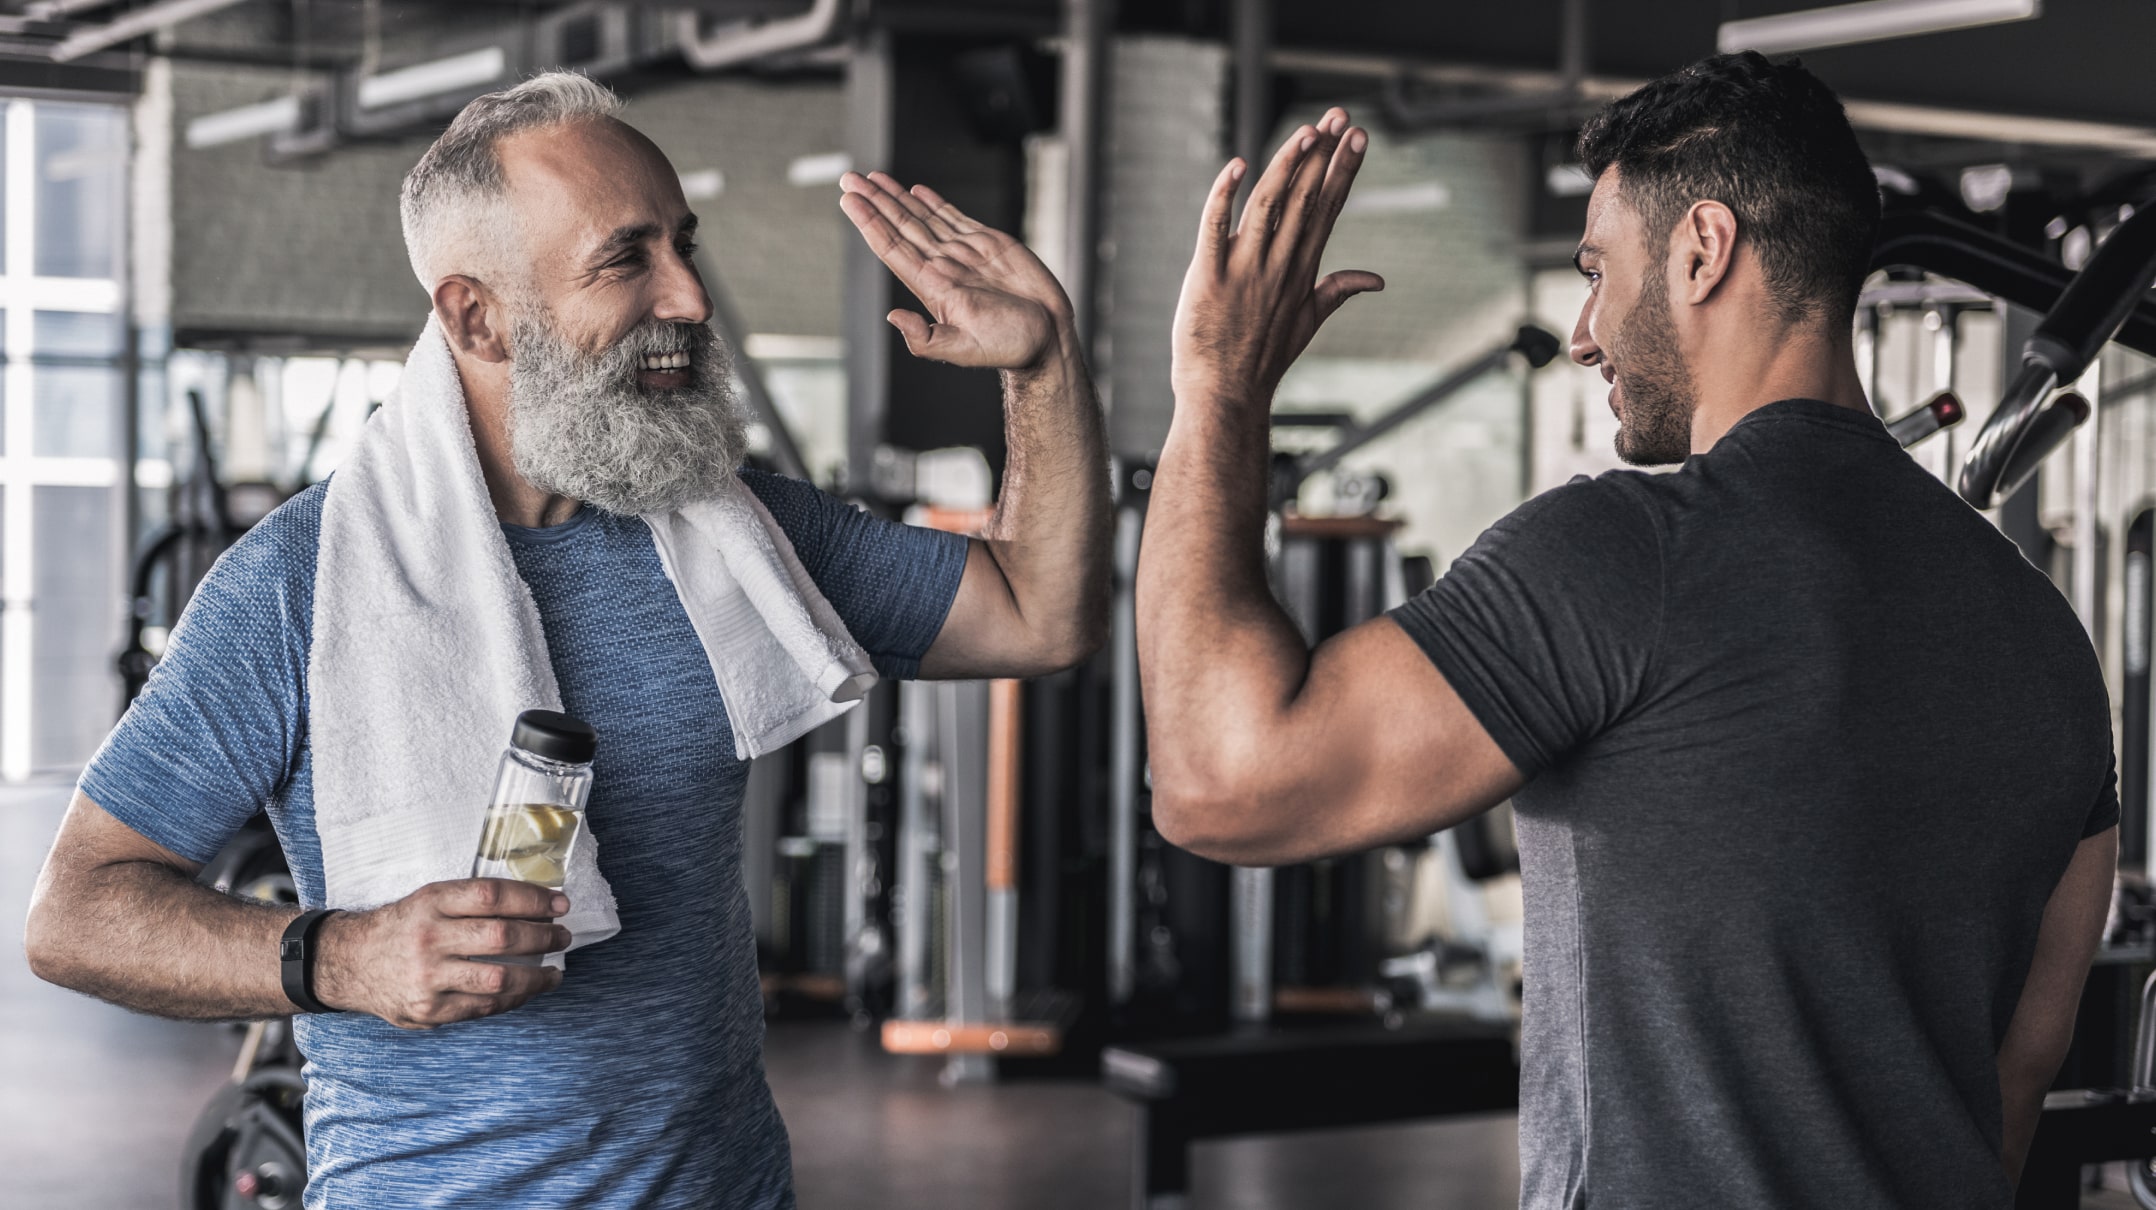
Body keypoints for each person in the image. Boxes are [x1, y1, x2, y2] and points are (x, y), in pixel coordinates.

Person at [24, 72, 1107, 1208]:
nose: (690, 295)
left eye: (683, 244)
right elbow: (76, 913)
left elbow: (1042, 612)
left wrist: (1041, 367)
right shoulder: (299, 586)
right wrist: (336, 957)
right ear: (476, 316)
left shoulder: (740, 535)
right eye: (624, 258)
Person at [1140, 53, 2116, 1208]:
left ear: (1701, 250)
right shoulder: (2046, 638)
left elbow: (1215, 782)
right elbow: (2019, 1067)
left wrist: (1216, 393)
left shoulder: (1622, 552)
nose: (1584, 333)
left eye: (1595, 269)